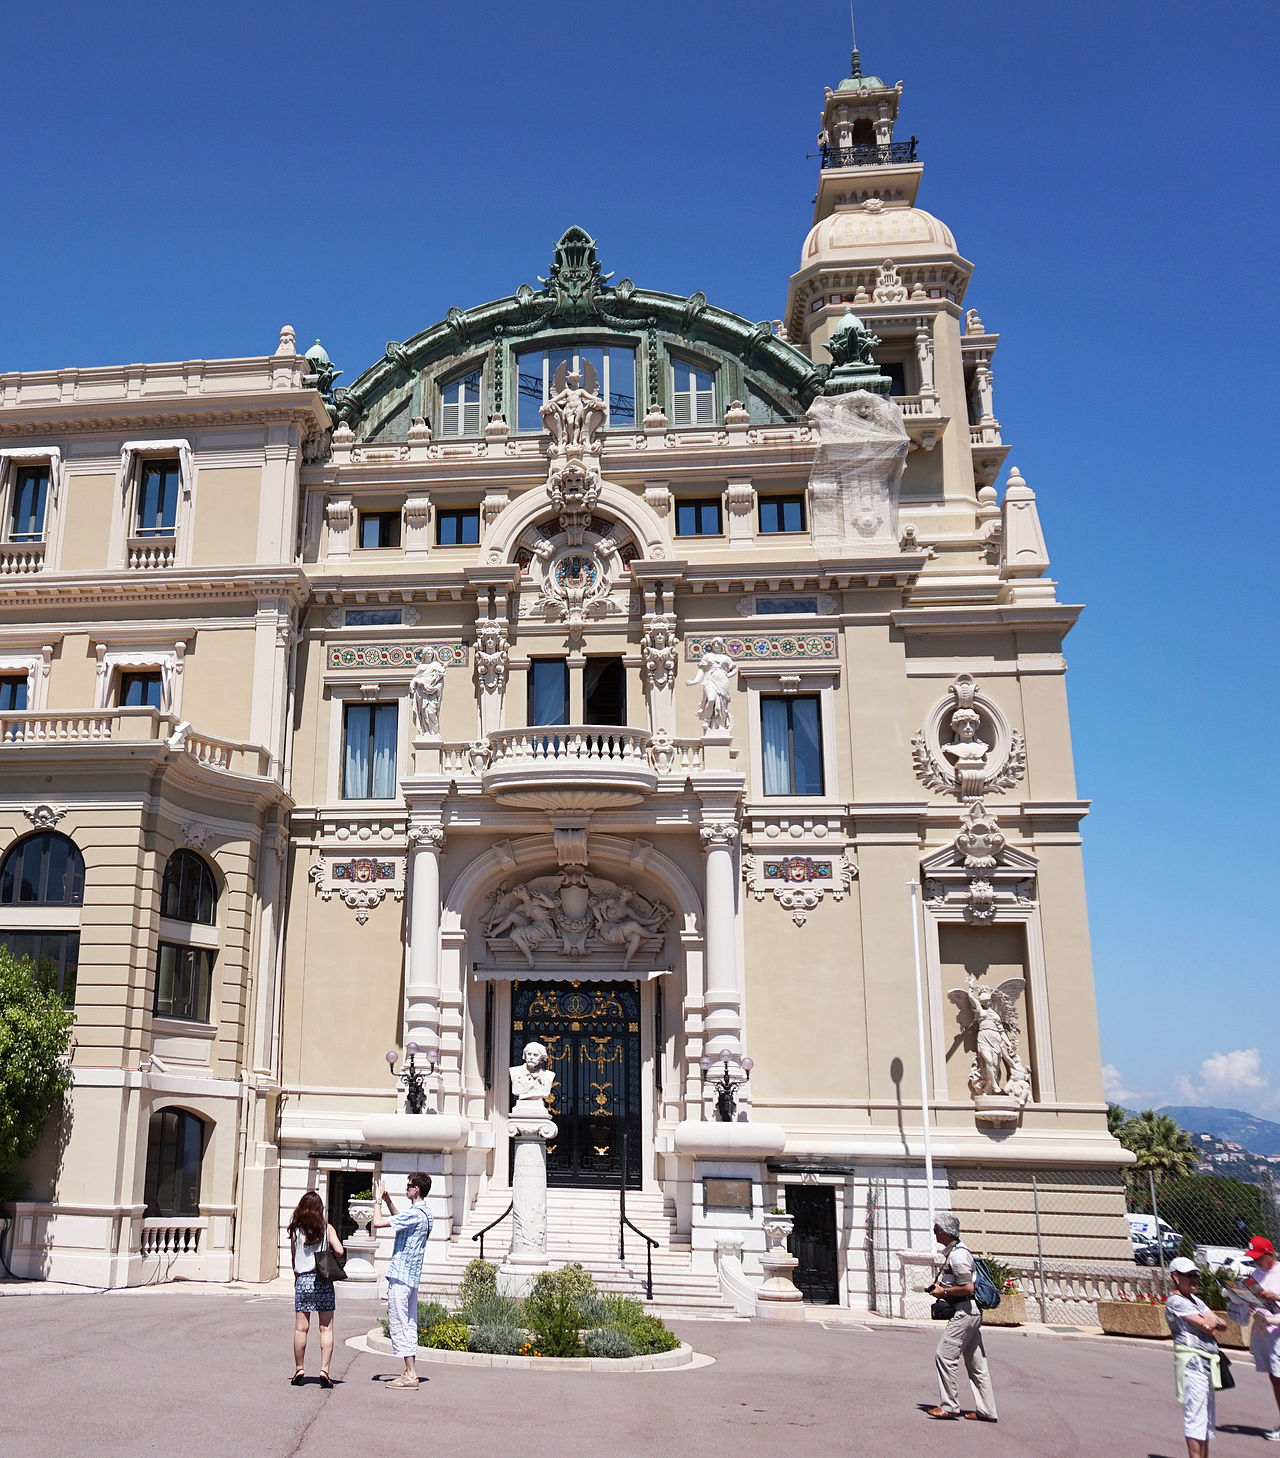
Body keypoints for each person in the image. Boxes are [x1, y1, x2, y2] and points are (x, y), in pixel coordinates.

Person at [924, 1213, 998, 1423]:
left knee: (944, 1355)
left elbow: (968, 1287)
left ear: (946, 1233)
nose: (935, 1233)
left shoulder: (957, 1256)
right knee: (976, 1364)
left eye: (937, 1229)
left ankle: (949, 1406)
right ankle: (987, 1411)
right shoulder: (957, 1252)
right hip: (970, 1311)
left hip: (965, 1311)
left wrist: (943, 1293)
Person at [372, 1171, 434, 1390]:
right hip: (411, 1276)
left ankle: (411, 1373)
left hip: (402, 1275)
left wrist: (378, 1199)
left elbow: (377, 1222)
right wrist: (389, 1201)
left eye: (408, 1186)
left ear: (416, 1189)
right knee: (409, 1322)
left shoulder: (417, 1214)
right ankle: (410, 1371)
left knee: (400, 1323)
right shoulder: (424, 1213)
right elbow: (400, 1220)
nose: (406, 1188)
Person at [1166, 1255, 1228, 1458]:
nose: (1194, 1279)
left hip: (1207, 1362)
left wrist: (1211, 1321)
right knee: (1196, 1417)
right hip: (1192, 1363)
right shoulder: (1176, 1301)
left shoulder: (1195, 1300)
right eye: (1188, 1275)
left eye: (1195, 1275)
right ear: (1176, 1277)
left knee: (1207, 1419)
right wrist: (1210, 1321)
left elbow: (1222, 1324)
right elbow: (1208, 1325)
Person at [287, 1190, 345, 1388]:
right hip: (322, 1280)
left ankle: (299, 1368)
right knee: (325, 1327)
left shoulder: (295, 1230)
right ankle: (324, 1370)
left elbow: (294, 1258)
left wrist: (297, 1278)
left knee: (300, 1328)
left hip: (303, 1280)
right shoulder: (326, 1228)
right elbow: (339, 1250)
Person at [1241, 1235, 1280, 1440]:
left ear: (1269, 1254)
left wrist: (1276, 1297)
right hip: (1264, 1332)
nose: (1256, 1261)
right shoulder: (1255, 1275)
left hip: (1278, 1332)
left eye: (1259, 1257)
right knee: (1274, 1377)